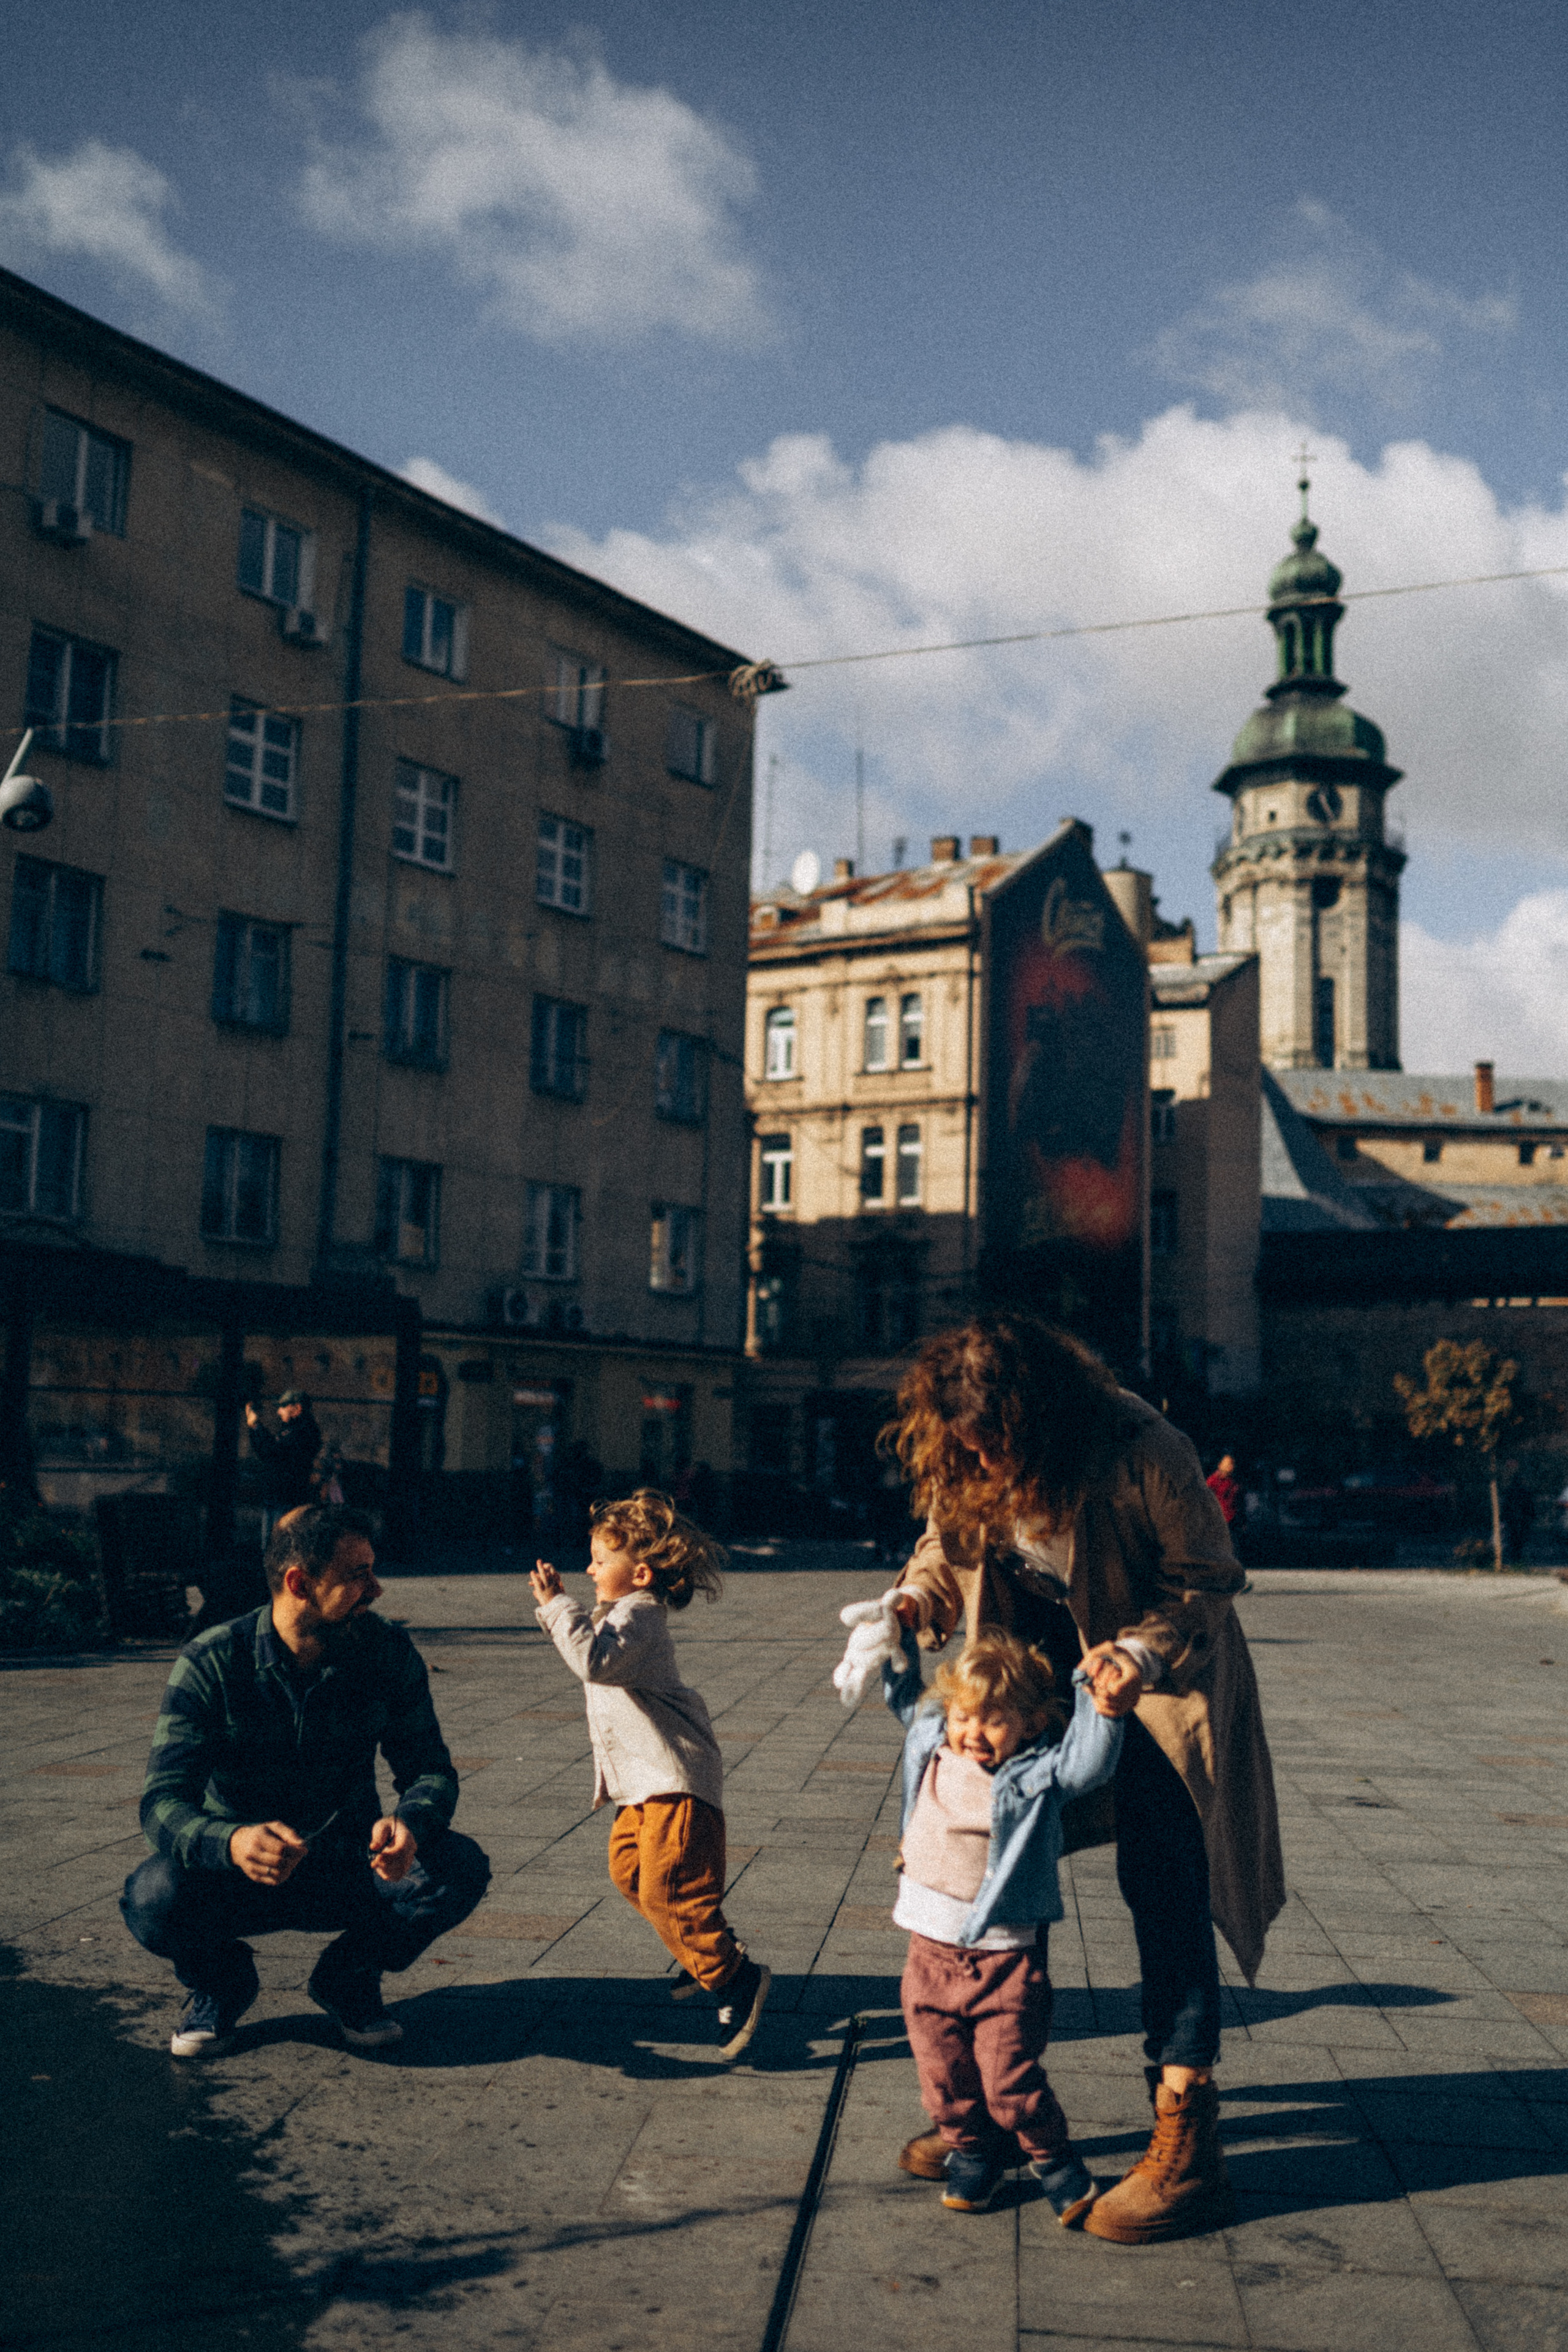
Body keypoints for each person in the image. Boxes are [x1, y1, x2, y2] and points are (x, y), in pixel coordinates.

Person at [881, 1314, 1283, 2244]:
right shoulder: (964, 1447)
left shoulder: (1144, 1446)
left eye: (998, 1443)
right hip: (1025, 1687)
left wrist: (1140, 1654)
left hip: (1156, 1686)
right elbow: (945, 1547)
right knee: (998, 1877)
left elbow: (1206, 1578)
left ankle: (1188, 2134)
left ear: (1043, 1416)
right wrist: (912, 1600)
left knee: (1165, 1883)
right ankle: (996, 2109)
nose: (983, 1458)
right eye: (968, 1444)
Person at [121, 1504, 490, 2058]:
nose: (377, 1589)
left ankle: (348, 1977)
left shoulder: (386, 1651)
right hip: (237, 1875)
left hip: (349, 1866)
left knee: (458, 1868)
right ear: (300, 1582)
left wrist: (409, 1822)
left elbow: (429, 1768)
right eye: (358, 1575)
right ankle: (222, 1983)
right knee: (152, 1896)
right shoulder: (213, 1661)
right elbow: (162, 1803)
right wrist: (232, 1841)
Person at [884, 1624, 1122, 2217]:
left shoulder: (1034, 1776)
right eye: (965, 1716)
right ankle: (972, 2153)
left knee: (1007, 2080)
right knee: (942, 2075)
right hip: (929, 1954)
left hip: (1006, 1958)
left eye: (994, 1721)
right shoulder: (934, 1744)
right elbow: (906, 1695)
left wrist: (1103, 1704)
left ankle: (1053, 2158)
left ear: (1031, 1724)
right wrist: (891, 1638)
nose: (973, 1733)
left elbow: (1088, 1766)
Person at [529, 1488, 771, 2060]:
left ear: (639, 1572)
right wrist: (562, 1611)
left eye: (599, 1560)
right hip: (642, 1784)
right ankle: (701, 1954)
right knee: (629, 1872)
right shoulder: (621, 1613)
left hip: (673, 1780)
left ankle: (736, 1979)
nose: (589, 1568)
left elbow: (593, 1662)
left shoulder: (640, 1615)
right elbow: (587, 1650)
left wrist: (558, 1605)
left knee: (668, 1887)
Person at [245, 1389, 323, 1544]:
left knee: (278, 1546)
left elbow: (273, 1453)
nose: (278, 1411)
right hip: (279, 1495)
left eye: (283, 1406)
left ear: (297, 1408)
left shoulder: (303, 1432)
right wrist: (256, 1428)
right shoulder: (295, 1429)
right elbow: (271, 1450)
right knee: (273, 1546)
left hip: (286, 1497)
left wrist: (257, 1427)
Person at [1206, 1452, 1240, 1529]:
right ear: (1220, 1464)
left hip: (1233, 1521)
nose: (1230, 1466)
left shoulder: (1234, 1481)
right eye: (1227, 1463)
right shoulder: (1213, 1481)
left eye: (1232, 1464)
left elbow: (1238, 1502)